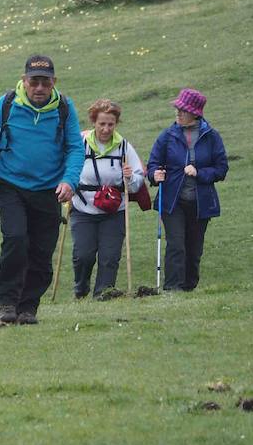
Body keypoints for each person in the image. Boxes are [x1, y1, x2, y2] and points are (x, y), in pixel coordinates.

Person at [0, 54, 83, 324]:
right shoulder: (8, 104)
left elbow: (75, 148)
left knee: (41, 250)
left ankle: (28, 307)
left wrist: (70, 180)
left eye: (45, 83)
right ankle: (7, 302)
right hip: (11, 185)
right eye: (34, 81)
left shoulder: (65, 108)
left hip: (49, 189)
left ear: (53, 82)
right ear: (24, 80)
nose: (39, 88)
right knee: (16, 239)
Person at [147, 88, 227, 292]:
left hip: (201, 203)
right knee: (176, 245)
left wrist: (199, 172)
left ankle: (189, 287)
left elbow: (221, 168)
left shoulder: (211, 137)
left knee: (194, 250)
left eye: (182, 109)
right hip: (172, 201)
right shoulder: (167, 135)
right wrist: (155, 174)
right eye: (177, 109)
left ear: (195, 113)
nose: (178, 113)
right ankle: (172, 288)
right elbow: (153, 163)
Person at [70, 100, 145, 298]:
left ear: (116, 124)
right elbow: (66, 169)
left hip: (114, 211)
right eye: (101, 123)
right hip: (83, 208)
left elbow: (138, 181)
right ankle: (81, 287)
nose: (106, 129)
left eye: (110, 124)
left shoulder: (124, 148)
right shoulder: (80, 144)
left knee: (110, 256)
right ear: (94, 122)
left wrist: (130, 177)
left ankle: (103, 294)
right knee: (83, 255)